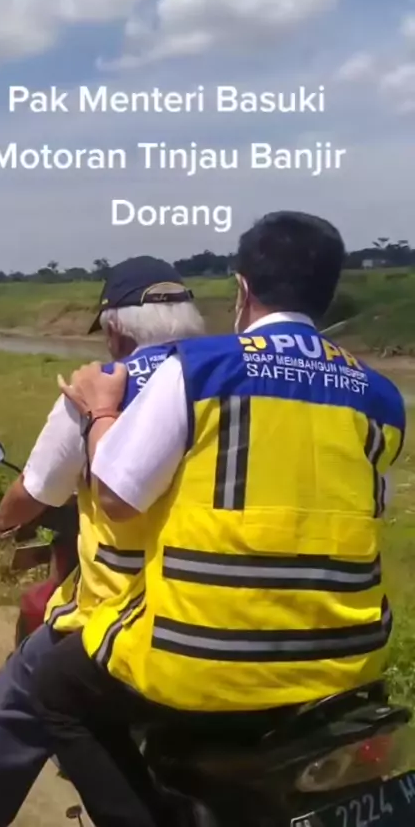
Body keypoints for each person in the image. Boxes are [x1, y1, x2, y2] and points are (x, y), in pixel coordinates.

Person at [30, 211, 405, 827]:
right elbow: (371, 504)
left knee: (54, 688)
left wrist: (100, 412)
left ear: (242, 289)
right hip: (347, 657)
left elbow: (118, 496)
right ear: (329, 291)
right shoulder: (381, 397)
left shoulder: (198, 368)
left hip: (196, 654)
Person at [0, 257, 204, 827]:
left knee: (29, 681)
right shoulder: (224, 382)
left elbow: (36, 490)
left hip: (128, 612)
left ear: (115, 331)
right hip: (228, 598)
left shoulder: (98, 391)